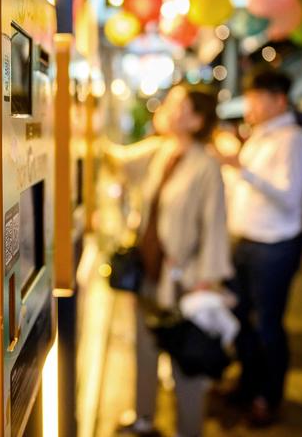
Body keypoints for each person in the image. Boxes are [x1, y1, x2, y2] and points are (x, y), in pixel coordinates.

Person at [108, 85, 233, 437]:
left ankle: (187, 430)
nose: (167, 106)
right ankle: (144, 419)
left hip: (184, 279)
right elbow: (114, 159)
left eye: (179, 104)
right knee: (145, 348)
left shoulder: (206, 165)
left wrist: (205, 281)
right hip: (148, 272)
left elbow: (215, 226)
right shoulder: (160, 151)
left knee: (185, 364)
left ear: (196, 120)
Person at [212, 69, 302, 426]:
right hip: (246, 241)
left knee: (268, 324)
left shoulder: (294, 140)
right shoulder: (259, 136)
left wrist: (241, 167)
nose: (250, 105)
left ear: (278, 101)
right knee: (239, 318)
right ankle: (248, 384)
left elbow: (289, 197)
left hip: (275, 246)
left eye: (256, 99)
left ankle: (269, 398)